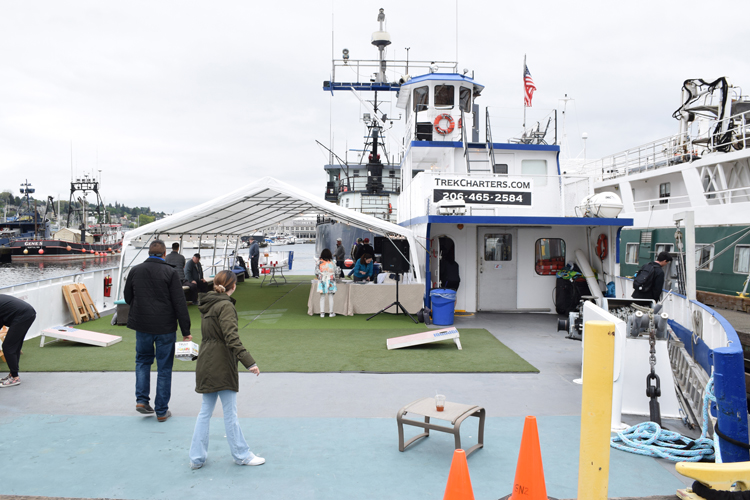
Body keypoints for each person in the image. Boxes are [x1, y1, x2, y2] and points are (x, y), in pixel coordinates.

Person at [189, 270, 264, 469]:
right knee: (230, 413)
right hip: (222, 363)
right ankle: (241, 455)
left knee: (205, 412)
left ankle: (196, 457)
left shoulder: (208, 304)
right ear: (233, 286)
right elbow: (231, 338)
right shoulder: (225, 306)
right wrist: (249, 362)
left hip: (206, 360)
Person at [125, 239, 192, 422]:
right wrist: (186, 330)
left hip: (143, 326)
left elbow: (128, 296)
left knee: (142, 361)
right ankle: (161, 411)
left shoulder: (135, 270)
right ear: (164, 254)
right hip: (165, 327)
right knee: (164, 367)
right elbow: (179, 303)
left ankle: (141, 400)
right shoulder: (170, 272)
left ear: (148, 253)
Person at [0, 295, 37, 388]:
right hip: (26, 313)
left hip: (23, 315)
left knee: (8, 346)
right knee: (15, 346)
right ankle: (13, 374)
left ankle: (15, 377)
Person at [317, 249, 338, 317]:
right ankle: (331, 313)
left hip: (322, 280)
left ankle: (322, 313)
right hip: (331, 280)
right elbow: (336, 271)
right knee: (331, 296)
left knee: (322, 296)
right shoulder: (333, 262)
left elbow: (316, 272)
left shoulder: (319, 262)